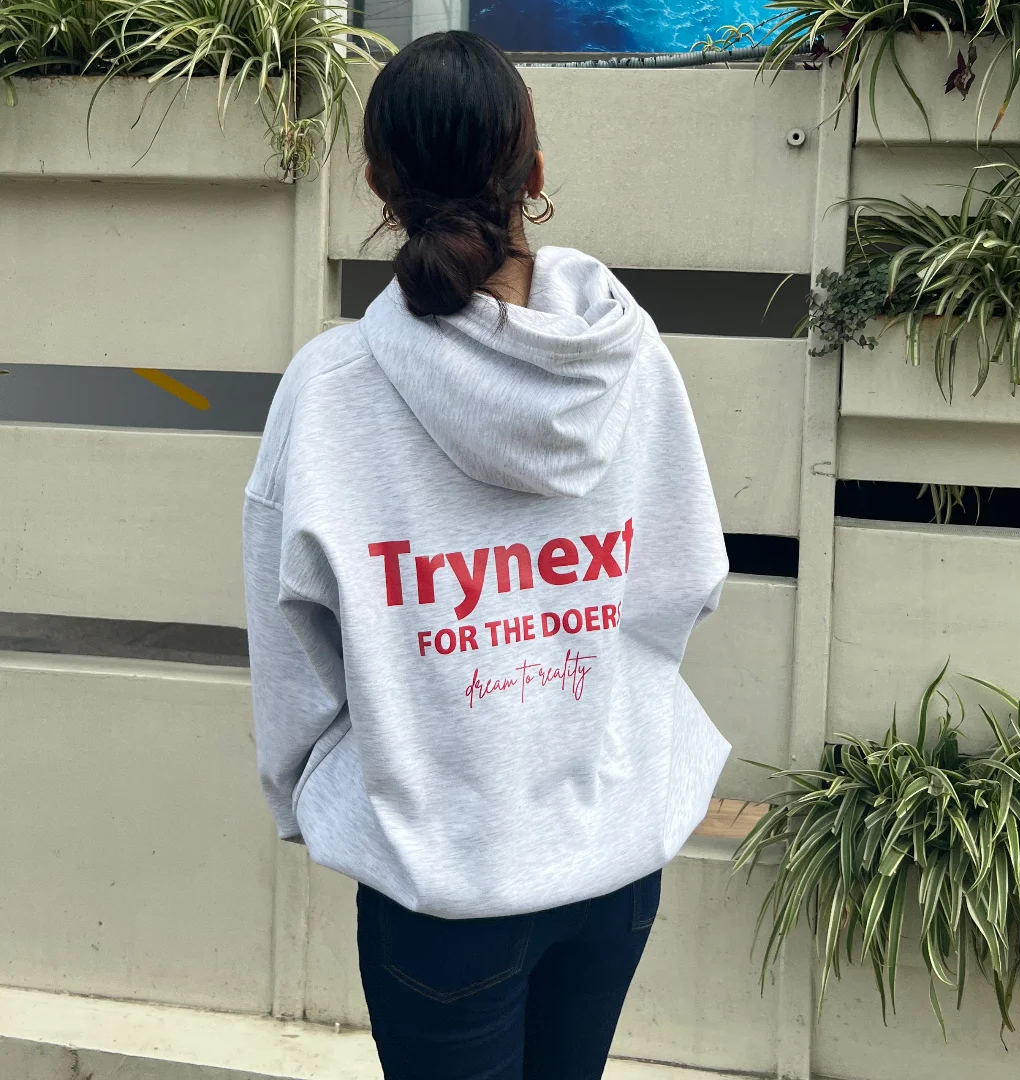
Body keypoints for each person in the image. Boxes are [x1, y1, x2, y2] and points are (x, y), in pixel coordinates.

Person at [242, 29, 729, 1080]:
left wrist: (333, 796)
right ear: (535, 173)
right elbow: (685, 582)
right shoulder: (632, 360)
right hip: (612, 865)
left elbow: (292, 658)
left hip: (443, 885)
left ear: (378, 184)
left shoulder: (330, 392)